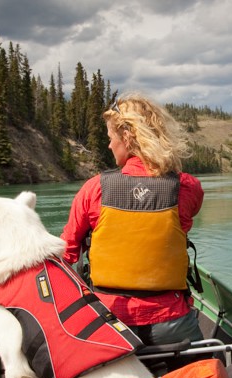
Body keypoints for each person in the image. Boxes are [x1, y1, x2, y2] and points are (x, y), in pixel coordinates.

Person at [60, 93, 204, 348]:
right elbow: (182, 221)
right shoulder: (187, 187)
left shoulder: (94, 190)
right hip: (173, 325)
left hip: (111, 326)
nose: (109, 146)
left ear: (126, 137)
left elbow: (67, 253)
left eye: (110, 138)